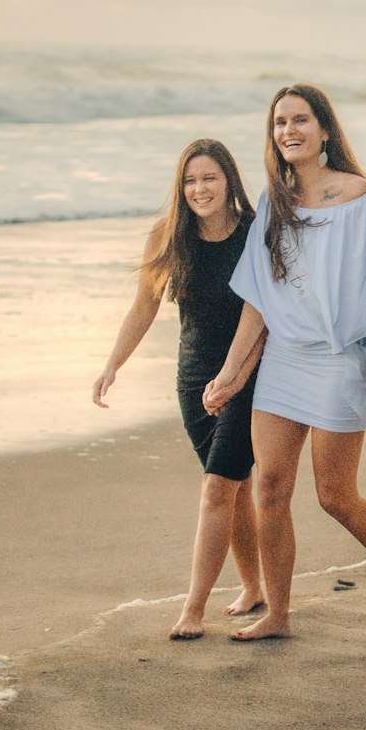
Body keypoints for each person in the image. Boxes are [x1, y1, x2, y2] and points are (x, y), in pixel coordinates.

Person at [203, 85, 366, 643]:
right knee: (269, 486)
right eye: (279, 122)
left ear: (324, 129)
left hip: (339, 359)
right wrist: (230, 373)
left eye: (300, 120)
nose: (288, 131)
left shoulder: (362, 198)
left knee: (334, 495)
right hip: (282, 359)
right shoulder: (274, 201)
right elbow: (257, 299)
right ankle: (278, 613)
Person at [92, 139, 265, 640]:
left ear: (229, 180)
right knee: (232, 486)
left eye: (209, 178)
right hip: (192, 378)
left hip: (248, 374)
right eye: (190, 181)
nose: (199, 189)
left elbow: (268, 317)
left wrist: (233, 378)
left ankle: (194, 607)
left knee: (217, 487)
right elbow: (143, 307)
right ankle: (253, 587)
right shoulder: (168, 237)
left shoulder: (255, 232)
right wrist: (112, 365)